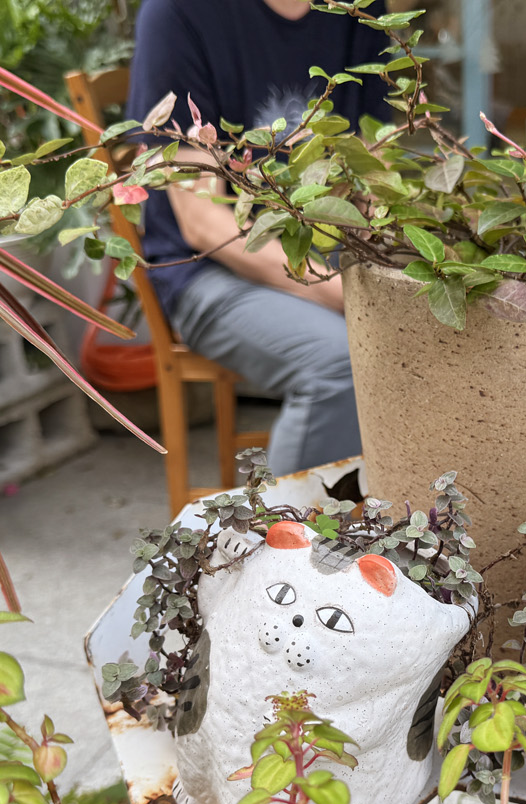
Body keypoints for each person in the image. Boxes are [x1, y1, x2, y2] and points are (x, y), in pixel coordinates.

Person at [125, 0, 388, 475]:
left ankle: (392, 516)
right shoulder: (177, 13)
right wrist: (351, 295)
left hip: (330, 255)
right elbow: (205, 224)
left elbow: (369, 172)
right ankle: (289, 540)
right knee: (343, 362)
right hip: (210, 270)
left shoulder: (359, 9)